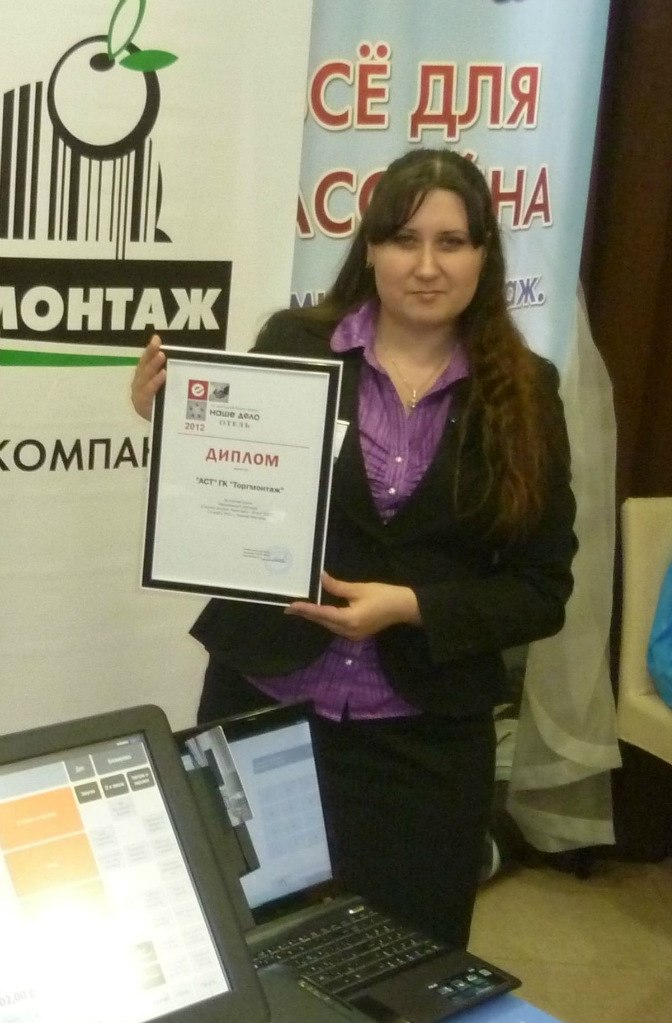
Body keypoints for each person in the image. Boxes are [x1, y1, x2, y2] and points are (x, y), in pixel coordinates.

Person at [131, 147, 577, 948]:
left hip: (424, 738)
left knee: (406, 961)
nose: (427, 266)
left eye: (452, 242)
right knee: (245, 946)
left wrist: (411, 606)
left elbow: (543, 589)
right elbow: (236, 487)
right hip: (264, 708)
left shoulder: (527, 391)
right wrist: (174, 425)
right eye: (405, 239)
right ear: (369, 248)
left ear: (484, 254)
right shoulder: (296, 343)